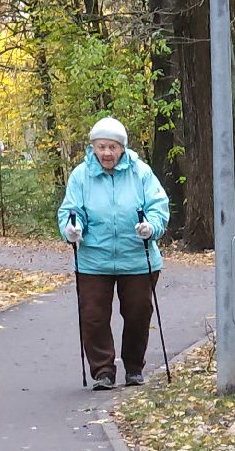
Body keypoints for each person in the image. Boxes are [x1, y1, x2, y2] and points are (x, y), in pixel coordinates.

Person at [57, 116, 171, 390]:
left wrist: (150, 227)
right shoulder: (80, 175)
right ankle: (103, 372)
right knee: (93, 316)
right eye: (101, 147)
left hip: (137, 258)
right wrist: (72, 229)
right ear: (92, 148)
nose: (106, 153)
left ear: (122, 148)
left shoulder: (140, 172)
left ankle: (133, 368)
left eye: (112, 147)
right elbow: (71, 210)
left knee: (137, 314)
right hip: (94, 259)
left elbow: (158, 205)